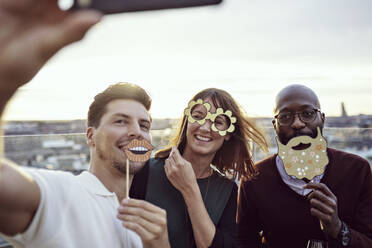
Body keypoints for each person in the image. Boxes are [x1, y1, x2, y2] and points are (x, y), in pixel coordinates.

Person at [0, 1, 169, 247]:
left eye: (144, 125)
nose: (136, 132)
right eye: (121, 121)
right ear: (90, 136)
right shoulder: (64, 195)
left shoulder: (143, 223)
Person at [130, 88, 268, 248]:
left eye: (217, 122)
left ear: (228, 134)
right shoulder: (144, 170)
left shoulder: (228, 191)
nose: (204, 127)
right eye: (198, 117)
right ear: (186, 121)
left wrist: (190, 189)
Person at [237, 84, 372, 248]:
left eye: (308, 114)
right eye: (285, 116)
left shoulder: (357, 171)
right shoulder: (254, 179)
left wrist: (338, 228)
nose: (298, 123)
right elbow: (245, 242)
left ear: (322, 119)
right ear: (275, 126)